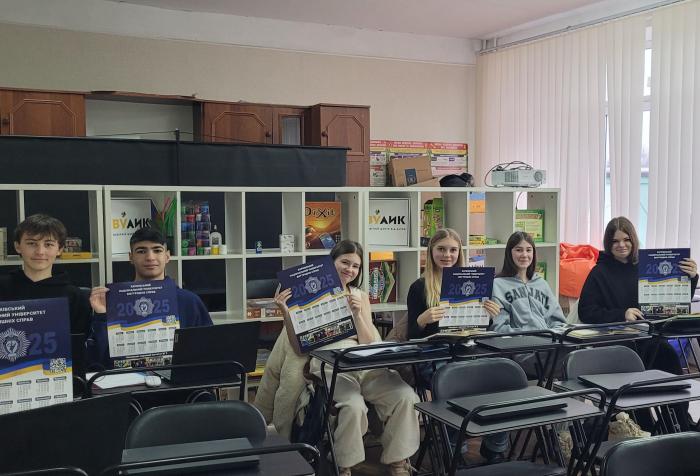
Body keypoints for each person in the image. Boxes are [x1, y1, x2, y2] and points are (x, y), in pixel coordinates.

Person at [274, 240, 418, 476]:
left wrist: (358, 314)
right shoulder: (310, 296)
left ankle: (398, 462)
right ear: (331, 263)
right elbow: (299, 348)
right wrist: (285, 312)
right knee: (353, 405)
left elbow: (369, 341)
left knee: (406, 396)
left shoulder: (360, 296)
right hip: (331, 364)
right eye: (345, 262)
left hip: (362, 360)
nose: (350, 269)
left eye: (356, 266)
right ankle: (344, 466)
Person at [579, 217, 698, 430]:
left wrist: (691, 277)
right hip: (617, 342)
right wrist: (622, 314)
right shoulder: (599, 272)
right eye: (615, 241)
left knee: (669, 357)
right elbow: (586, 312)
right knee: (635, 368)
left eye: (626, 239)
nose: (621, 245)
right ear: (608, 243)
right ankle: (644, 427)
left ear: (633, 240)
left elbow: (671, 305)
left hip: (647, 339)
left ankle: (678, 422)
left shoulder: (646, 267)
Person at [405, 228, 504, 463]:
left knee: (502, 378)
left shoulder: (474, 282)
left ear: (460, 252)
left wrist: (489, 316)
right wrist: (422, 320)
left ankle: (495, 447)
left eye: (452, 250)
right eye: (441, 249)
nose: (447, 255)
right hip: (433, 356)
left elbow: (481, 330)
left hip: (467, 351)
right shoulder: (419, 287)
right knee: (454, 383)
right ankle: (454, 451)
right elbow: (411, 337)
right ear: (431, 251)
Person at [87, 227, 212, 369]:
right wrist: (101, 316)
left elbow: (208, 352)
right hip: (125, 380)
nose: (150, 257)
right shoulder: (111, 301)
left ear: (167, 256)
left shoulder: (189, 301)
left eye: (157, 250)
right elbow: (96, 361)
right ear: (131, 257)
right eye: (141, 251)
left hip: (177, 381)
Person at [0, 214, 92, 337]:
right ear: (18, 247)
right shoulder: (2, 288)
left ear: (59, 249)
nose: (40, 252)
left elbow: (80, 344)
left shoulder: (76, 297)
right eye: (31, 243)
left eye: (48, 244)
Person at [490, 231, 567, 377]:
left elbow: (558, 322)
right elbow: (499, 328)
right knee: (571, 358)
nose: (524, 255)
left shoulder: (542, 284)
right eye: (519, 250)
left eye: (528, 250)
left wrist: (553, 337)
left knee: (580, 351)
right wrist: (530, 337)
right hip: (521, 353)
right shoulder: (497, 284)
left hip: (548, 346)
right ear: (509, 253)